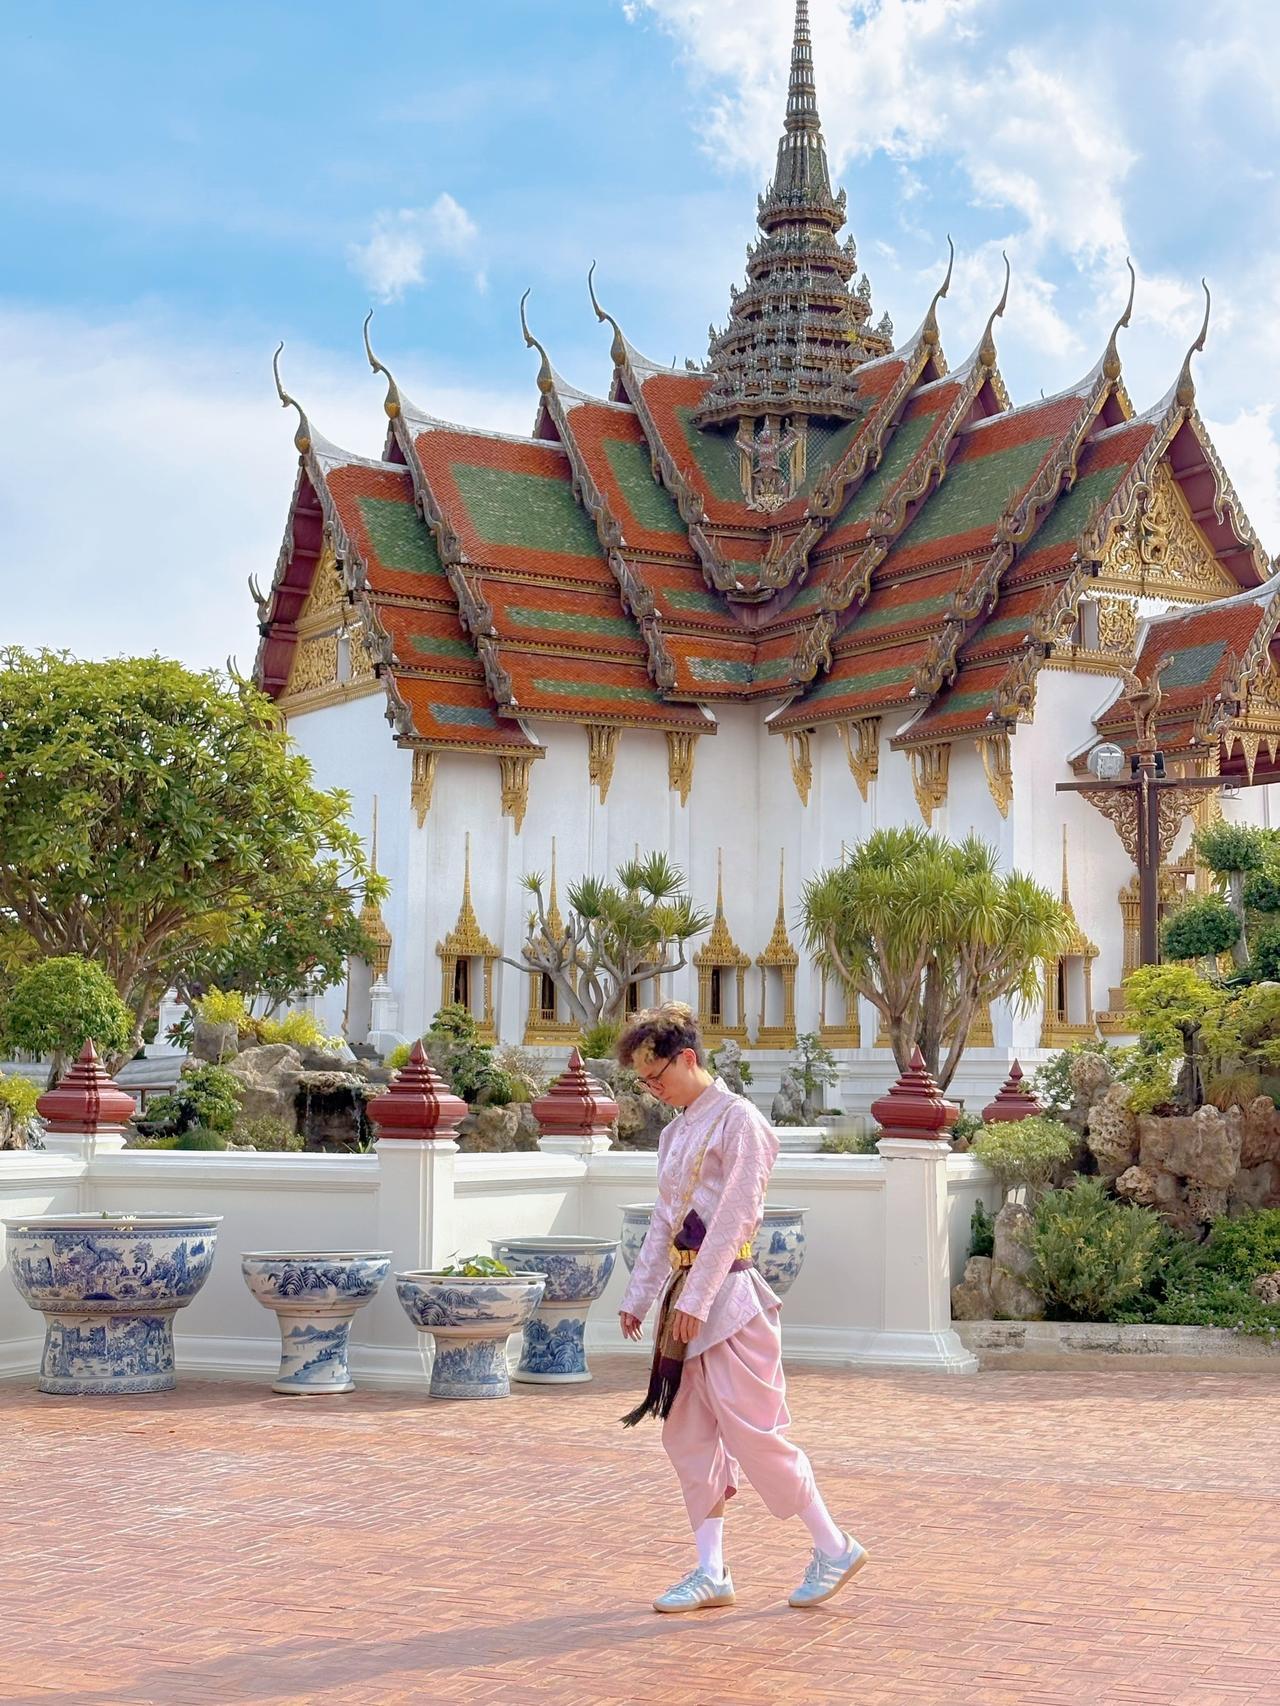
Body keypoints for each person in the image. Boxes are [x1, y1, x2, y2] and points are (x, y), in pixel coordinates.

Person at [616, 1001, 868, 1613]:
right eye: (644, 1084)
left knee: (754, 1433)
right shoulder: (676, 1132)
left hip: (731, 1299)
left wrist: (697, 1299)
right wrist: (639, 1295)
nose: (653, 1092)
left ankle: (833, 1546)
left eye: (657, 1078)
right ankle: (711, 1570)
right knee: (688, 1434)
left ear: (688, 1059)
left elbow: (736, 1218)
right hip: (688, 1299)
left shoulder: (742, 1122)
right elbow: (663, 1222)